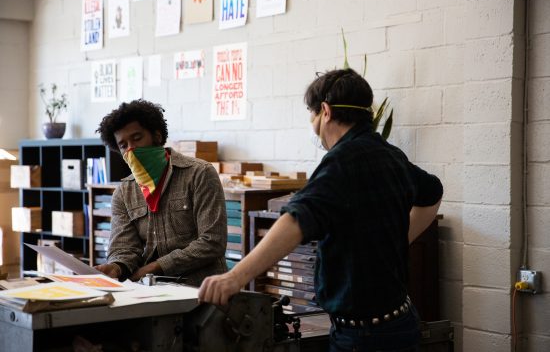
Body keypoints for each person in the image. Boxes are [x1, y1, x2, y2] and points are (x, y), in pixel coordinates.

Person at [198, 68, 443, 351]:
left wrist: (234, 277)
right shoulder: (391, 156)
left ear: (324, 112)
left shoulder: (341, 163)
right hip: (401, 323)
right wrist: (402, 237)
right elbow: (433, 192)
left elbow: (296, 220)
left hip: (362, 339)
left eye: (312, 116)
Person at [95, 99, 227, 286]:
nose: (131, 149)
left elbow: (212, 242)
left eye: (137, 138)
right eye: (123, 145)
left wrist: (155, 267)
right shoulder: (124, 192)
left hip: (202, 289)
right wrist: (116, 267)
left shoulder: (199, 173)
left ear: (156, 135)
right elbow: (124, 248)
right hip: (151, 291)